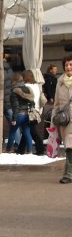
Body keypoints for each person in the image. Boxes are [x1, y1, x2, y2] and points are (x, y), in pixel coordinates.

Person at [52, 55, 72, 183]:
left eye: (71, 64)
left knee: (70, 145)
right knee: (69, 146)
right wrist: (54, 118)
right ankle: (68, 174)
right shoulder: (60, 82)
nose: (68, 67)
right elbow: (57, 104)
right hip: (65, 119)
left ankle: (68, 174)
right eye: (66, 65)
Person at [17, 71, 45, 155]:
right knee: (27, 129)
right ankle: (20, 150)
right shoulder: (36, 86)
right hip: (35, 111)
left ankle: (40, 149)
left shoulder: (25, 87)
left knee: (31, 131)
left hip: (27, 111)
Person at [7, 73, 34, 154]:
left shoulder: (14, 91)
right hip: (27, 114)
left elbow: (15, 106)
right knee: (27, 132)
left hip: (18, 115)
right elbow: (32, 103)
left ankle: (8, 149)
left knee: (12, 132)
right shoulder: (28, 89)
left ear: (14, 81)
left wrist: (14, 119)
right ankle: (30, 150)